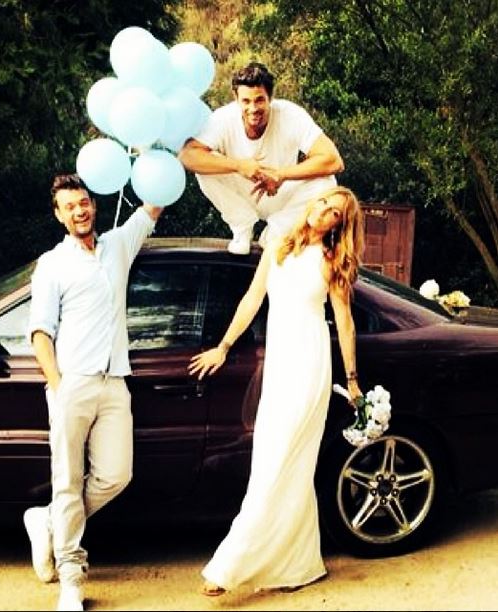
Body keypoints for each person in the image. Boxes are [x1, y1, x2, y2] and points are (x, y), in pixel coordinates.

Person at [188, 185, 364, 595]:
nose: (324, 211)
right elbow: (252, 300)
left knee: (281, 460)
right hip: (280, 362)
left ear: (339, 225)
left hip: (309, 363)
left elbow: (345, 322)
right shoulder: (279, 245)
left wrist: (353, 380)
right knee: (275, 460)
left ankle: (229, 566)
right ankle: (297, 564)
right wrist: (223, 346)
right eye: (324, 202)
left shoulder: (332, 261)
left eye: (335, 212)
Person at [24, 173, 163, 611]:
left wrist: (157, 157)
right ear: (58, 215)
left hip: (115, 382)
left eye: (83, 202)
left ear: (94, 204)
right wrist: (58, 386)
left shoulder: (119, 245)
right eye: (70, 206)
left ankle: (48, 521)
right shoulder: (52, 264)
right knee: (67, 481)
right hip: (73, 382)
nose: (79, 210)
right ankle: (71, 578)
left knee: (116, 475)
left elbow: (155, 202)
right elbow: (40, 332)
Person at [178, 62, 344, 255]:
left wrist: (281, 175)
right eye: (246, 101)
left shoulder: (290, 114)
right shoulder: (223, 118)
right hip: (241, 194)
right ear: (236, 98)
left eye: (259, 100)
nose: (253, 108)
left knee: (327, 182)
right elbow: (187, 155)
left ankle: (274, 233)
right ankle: (242, 227)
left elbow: (333, 160)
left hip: (279, 193)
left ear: (270, 97)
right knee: (203, 165)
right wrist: (239, 166)